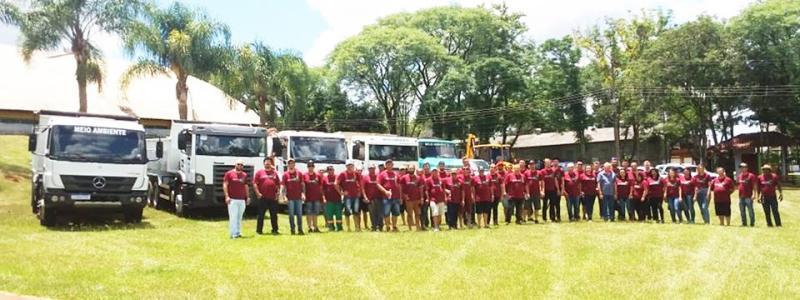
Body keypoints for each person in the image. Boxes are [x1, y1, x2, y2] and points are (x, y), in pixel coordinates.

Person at [223, 160, 250, 239]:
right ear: (235, 164)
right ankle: (233, 234)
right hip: (232, 200)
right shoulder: (229, 174)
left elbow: (246, 186)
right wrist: (227, 196)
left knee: (239, 217)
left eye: (241, 165)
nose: (240, 166)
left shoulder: (244, 175)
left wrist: (247, 197)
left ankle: (238, 232)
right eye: (238, 164)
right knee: (233, 217)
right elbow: (225, 185)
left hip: (242, 200)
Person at [253, 158, 281, 235]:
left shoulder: (274, 173)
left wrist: (278, 193)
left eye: (269, 162)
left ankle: (275, 230)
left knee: (274, 215)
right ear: (264, 163)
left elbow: (278, 184)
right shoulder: (259, 173)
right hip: (263, 198)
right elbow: (255, 183)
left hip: (273, 198)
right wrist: (258, 193)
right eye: (266, 162)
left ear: (271, 164)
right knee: (261, 215)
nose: (267, 164)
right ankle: (259, 230)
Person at [281, 159, 305, 235]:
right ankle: (292, 229)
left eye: (292, 163)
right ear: (288, 165)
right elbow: (283, 186)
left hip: (298, 197)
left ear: (294, 164)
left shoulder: (299, 173)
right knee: (291, 214)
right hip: (290, 198)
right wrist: (284, 196)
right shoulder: (285, 175)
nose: (291, 164)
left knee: (299, 214)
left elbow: (302, 185)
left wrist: (303, 194)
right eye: (289, 163)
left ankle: (300, 229)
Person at [377, 160, 402, 232]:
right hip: (386, 197)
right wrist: (385, 191)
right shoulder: (382, 174)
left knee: (396, 212)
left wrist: (400, 197)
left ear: (393, 165)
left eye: (391, 164)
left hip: (396, 197)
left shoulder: (396, 174)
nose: (389, 165)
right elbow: (378, 184)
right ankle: (388, 226)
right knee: (386, 212)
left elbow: (399, 185)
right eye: (388, 164)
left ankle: (394, 226)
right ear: (386, 165)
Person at [338, 161, 362, 232]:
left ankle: (357, 227)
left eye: (351, 165)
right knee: (347, 211)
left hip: (355, 195)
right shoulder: (343, 174)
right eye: (348, 165)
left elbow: (360, 183)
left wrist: (359, 191)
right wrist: (341, 192)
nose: (350, 167)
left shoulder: (356, 174)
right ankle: (348, 227)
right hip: (347, 196)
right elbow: (337, 184)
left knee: (356, 211)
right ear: (346, 166)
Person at [400, 165, 423, 231]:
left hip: (417, 199)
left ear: (414, 169)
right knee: (409, 214)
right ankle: (410, 228)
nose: (411, 170)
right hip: (408, 200)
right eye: (410, 168)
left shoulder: (418, 178)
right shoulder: (404, 178)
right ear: (408, 169)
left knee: (418, 214)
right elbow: (400, 188)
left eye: (412, 168)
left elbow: (421, 188)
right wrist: (403, 196)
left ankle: (418, 226)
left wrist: (421, 198)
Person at [362, 165, 383, 231]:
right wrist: (365, 197)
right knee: (372, 213)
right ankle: (374, 226)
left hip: (379, 198)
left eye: (373, 168)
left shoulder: (379, 176)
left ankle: (380, 226)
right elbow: (363, 188)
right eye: (370, 168)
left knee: (380, 213)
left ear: (375, 169)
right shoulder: (365, 177)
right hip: (370, 199)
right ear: (368, 169)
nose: (371, 169)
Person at [304, 162, 323, 233]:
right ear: (307, 167)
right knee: (308, 213)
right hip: (308, 197)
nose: (311, 168)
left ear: (314, 167)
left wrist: (322, 196)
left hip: (316, 197)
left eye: (312, 166)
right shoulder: (304, 175)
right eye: (309, 166)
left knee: (315, 213)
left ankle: (315, 227)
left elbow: (321, 186)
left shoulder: (317, 176)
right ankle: (309, 227)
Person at [323, 166, 344, 231]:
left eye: (331, 170)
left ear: (334, 170)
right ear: (327, 171)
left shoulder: (338, 177)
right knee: (329, 214)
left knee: (339, 214)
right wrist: (324, 198)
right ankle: (331, 227)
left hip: (337, 199)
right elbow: (322, 190)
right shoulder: (325, 179)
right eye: (329, 170)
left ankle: (339, 227)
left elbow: (342, 186)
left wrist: (342, 194)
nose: (330, 171)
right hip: (329, 200)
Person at [737, 163, 758, 227]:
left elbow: (754, 185)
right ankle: (744, 223)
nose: (742, 169)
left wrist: (754, 194)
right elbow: (739, 185)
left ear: (747, 168)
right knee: (742, 211)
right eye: (741, 168)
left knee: (750, 210)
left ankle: (752, 223)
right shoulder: (739, 176)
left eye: (743, 167)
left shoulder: (751, 176)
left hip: (748, 196)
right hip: (741, 196)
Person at [420, 162, 432, 229]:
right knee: (424, 211)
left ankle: (433, 224)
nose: (426, 168)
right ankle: (426, 224)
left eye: (427, 166)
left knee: (433, 211)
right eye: (425, 166)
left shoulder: (432, 174)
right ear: (423, 168)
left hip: (432, 195)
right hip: (424, 196)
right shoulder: (421, 176)